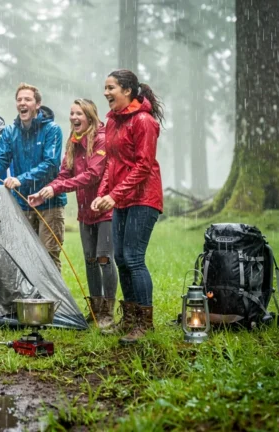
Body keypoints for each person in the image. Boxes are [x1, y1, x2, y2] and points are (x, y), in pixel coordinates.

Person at [28, 99, 117, 329]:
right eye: (71, 113)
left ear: (90, 116)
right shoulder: (73, 142)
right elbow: (64, 174)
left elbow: (92, 174)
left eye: (79, 114)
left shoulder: (101, 138)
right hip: (85, 210)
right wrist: (44, 192)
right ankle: (96, 311)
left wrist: (57, 188)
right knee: (90, 260)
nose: (74, 118)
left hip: (105, 208)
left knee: (104, 259)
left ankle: (108, 312)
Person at [91, 69, 164, 345]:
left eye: (111, 88)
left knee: (133, 258)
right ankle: (130, 319)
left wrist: (115, 194)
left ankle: (145, 325)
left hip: (144, 198)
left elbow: (144, 166)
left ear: (128, 91)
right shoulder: (111, 122)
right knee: (120, 258)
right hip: (122, 199)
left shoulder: (143, 121)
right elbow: (111, 164)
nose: (106, 93)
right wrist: (103, 194)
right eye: (105, 88)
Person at [0, 83, 66, 271]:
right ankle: (32, 300)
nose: (22, 103)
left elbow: (51, 165)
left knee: (48, 256)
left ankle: (55, 301)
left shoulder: (52, 130)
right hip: (22, 203)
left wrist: (21, 179)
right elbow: (1, 160)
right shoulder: (10, 131)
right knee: (26, 256)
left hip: (50, 203)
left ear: (38, 104)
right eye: (19, 100)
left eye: (27, 99)